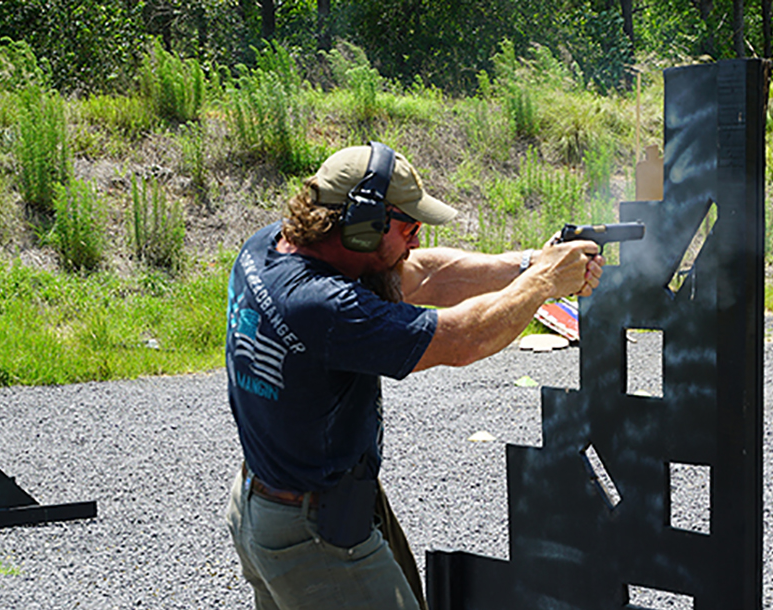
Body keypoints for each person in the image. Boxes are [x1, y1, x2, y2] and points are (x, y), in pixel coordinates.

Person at [224, 142, 604, 610]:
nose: (416, 240)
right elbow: (463, 339)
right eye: (409, 227)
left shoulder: (271, 246)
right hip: (312, 532)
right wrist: (544, 284)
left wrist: (527, 264)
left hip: (278, 504)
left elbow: (424, 275)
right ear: (364, 225)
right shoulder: (322, 307)